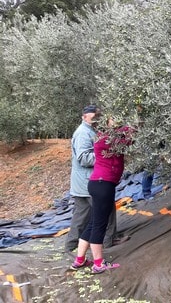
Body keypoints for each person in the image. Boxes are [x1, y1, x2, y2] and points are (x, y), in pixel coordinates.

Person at [70, 117, 134, 274]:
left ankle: (79, 260)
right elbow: (132, 133)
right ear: (107, 123)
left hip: (96, 183)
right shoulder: (110, 139)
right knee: (100, 225)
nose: (118, 121)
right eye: (114, 119)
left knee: (93, 223)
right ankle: (98, 264)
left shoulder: (101, 136)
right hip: (103, 185)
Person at [65, 105, 118, 252]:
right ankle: (108, 242)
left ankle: (71, 246)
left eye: (97, 115)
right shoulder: (83, 133)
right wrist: (106, 155)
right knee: (105, 210)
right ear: (84, 117)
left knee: (81, 216)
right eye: (92, 115)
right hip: (89, 181)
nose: (96, 117)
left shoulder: (91, 131)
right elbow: (83, 158)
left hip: (83, 182)